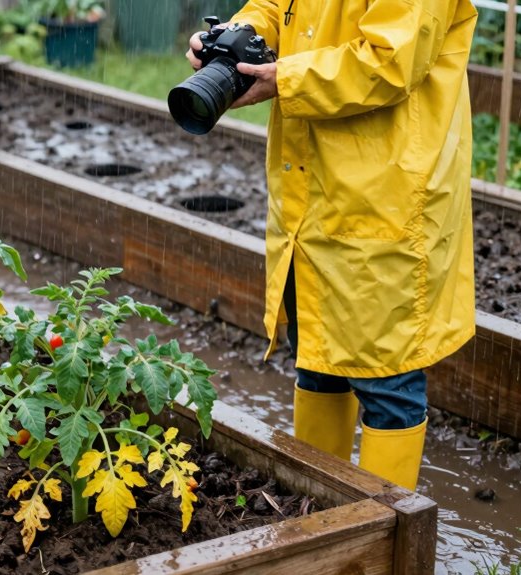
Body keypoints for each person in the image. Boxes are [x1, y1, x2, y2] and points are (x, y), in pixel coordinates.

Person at [186, 0, 479, 490]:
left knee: (386, 375)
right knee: (318, 357)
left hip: (384, 197)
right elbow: (276, 6)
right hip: (311, 191)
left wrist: (284, 78)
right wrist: (240, 37)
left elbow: (390, 58)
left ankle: (388, 534)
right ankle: (322, 510)